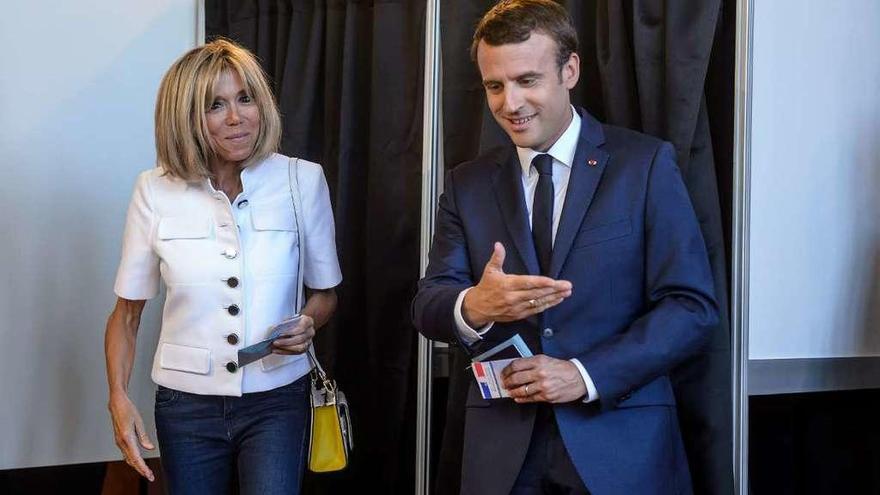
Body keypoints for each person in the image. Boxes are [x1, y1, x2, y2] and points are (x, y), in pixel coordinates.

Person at [412, 1, 719, 493]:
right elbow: (429, 305)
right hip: (501, 454)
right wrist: (474, 305)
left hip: (620, 445)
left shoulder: (643, 165)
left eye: (527, 80)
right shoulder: (467, 184)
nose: (510, 103)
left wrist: (584, 374)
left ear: (569, 70)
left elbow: (691, 308)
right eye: (495, 86)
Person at [104, 39, 341, 494]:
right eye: (215, 105)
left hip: (277, 399)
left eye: (245, 98)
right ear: (186, 118)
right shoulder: (153, 190)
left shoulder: (302, 179)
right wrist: (118, 397)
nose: (236, 117)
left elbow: (325, 295)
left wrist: (308, 322)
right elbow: (126, 315)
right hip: (184, 405)